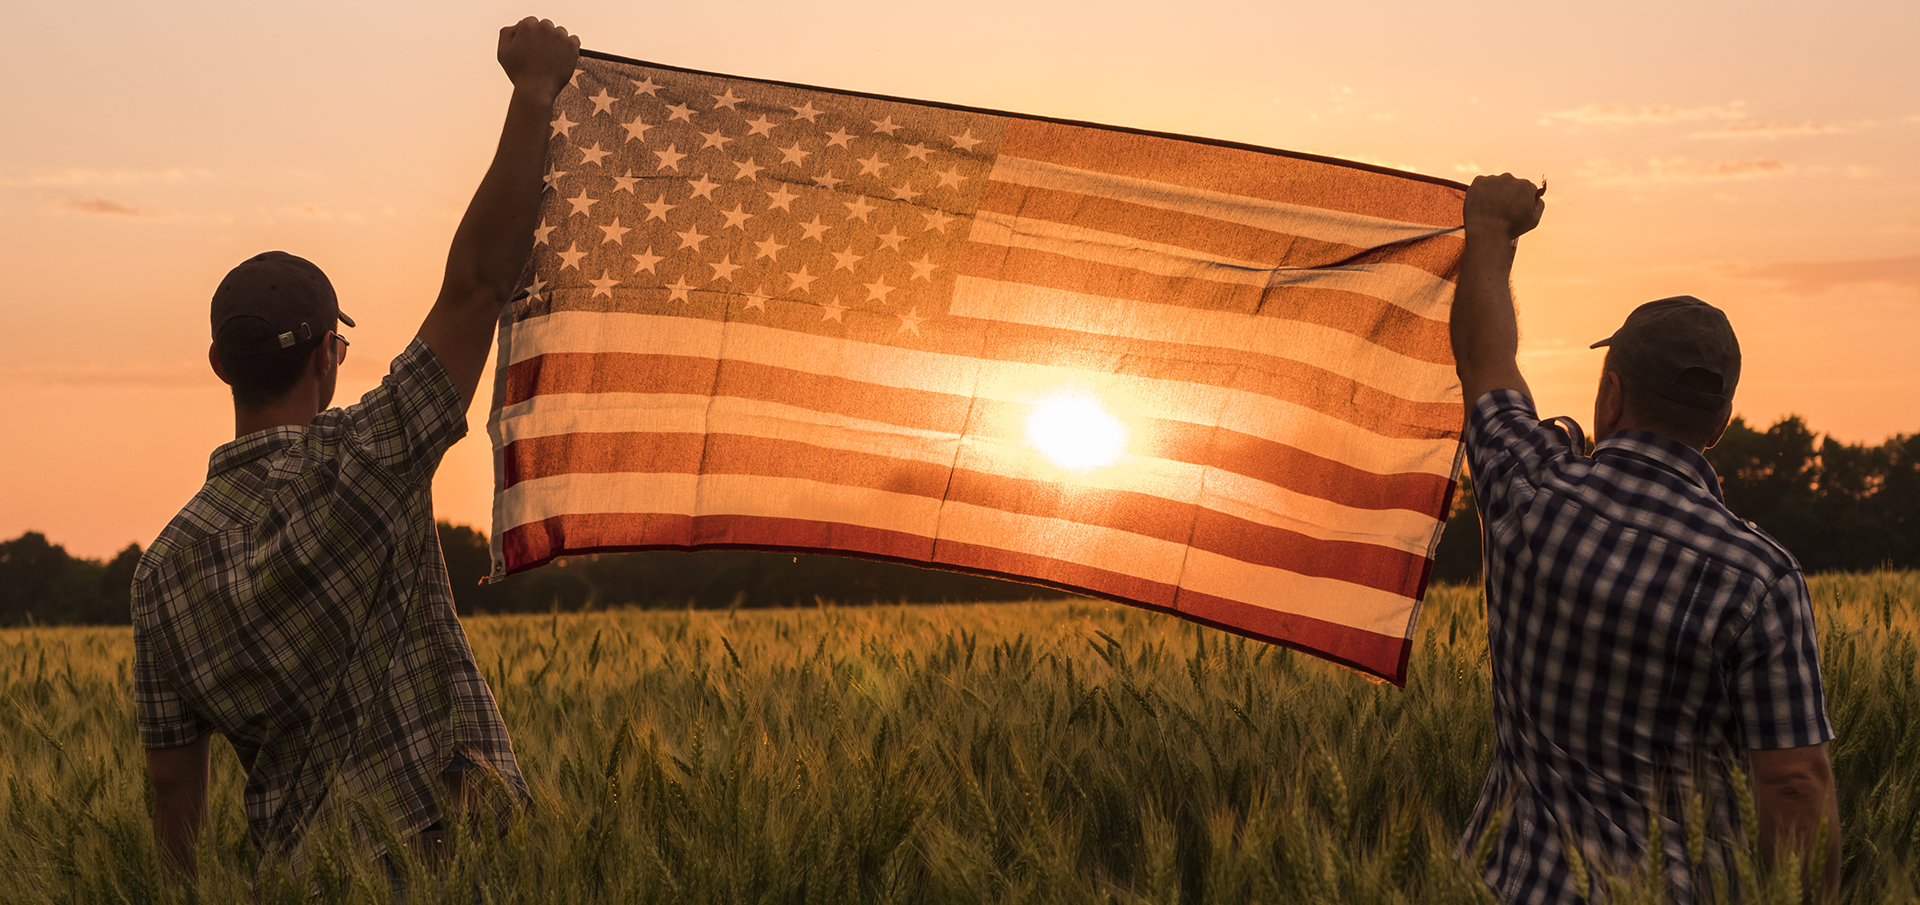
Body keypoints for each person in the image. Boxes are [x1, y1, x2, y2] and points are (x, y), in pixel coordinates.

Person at [131, 17, 580, 884]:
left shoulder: (160, 577)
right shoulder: (367, 460)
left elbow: (172, 801)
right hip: (458, 859)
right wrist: (532, 92)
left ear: (222, 365)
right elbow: (479, 283)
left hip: (303, 880)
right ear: (326, 358)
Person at [1450, 174, 1840, 903]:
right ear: (1720, 426)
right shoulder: (1759, 578)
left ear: (1611, 392)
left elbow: (1485, 360)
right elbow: (1793, 781)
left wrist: (1491, 231)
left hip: (1506, 886)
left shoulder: (1528, 488)